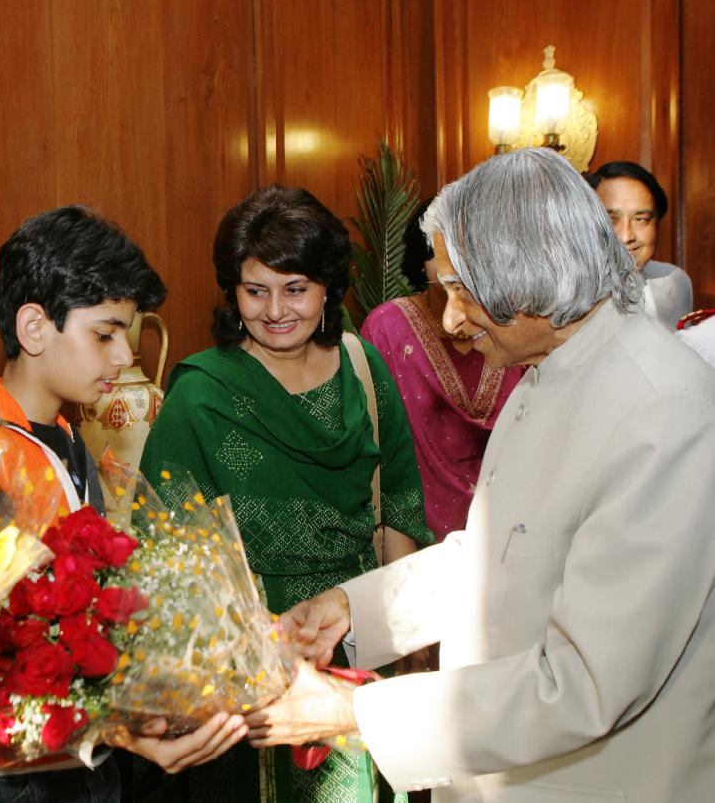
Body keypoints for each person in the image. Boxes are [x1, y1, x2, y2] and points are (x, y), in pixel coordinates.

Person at [252, 148, 715, 801]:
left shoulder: (663, 410)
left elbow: (585, 686)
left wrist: (355, 711)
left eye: (465, 293)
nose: (450, 320)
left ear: (536, 275)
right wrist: (354, 613)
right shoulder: (552, 370)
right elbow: (502, 557)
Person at [0, 207, 247, 803]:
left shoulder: (70, 440)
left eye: (126, 334)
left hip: (80, 761)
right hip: (2, 779)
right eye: (104, 334)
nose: (123, 356)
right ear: (34, 328)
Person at [138, 185, 432, 802]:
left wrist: (400, 635)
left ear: (327, 288)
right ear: (233, 291)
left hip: (356, 635)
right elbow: (166, 551)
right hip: (244, 662)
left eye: (295, 289)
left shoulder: (363, 369)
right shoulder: (201, 393)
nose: (275, 310)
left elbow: (400, 508)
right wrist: (238, 651)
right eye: (256, 290)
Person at [360, 204, 524, 540]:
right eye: (442, 252)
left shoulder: (520, 328)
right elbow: (369, 440)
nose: (457, 266)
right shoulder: (386, 328)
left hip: (512, 524)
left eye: (469, 253)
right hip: (409, 528)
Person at [587, 160, 693, 329]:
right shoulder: (558, 295)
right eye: (610, 220)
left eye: (640, 219)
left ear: (657, 224)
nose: (626, 236)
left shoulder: (675, 281)